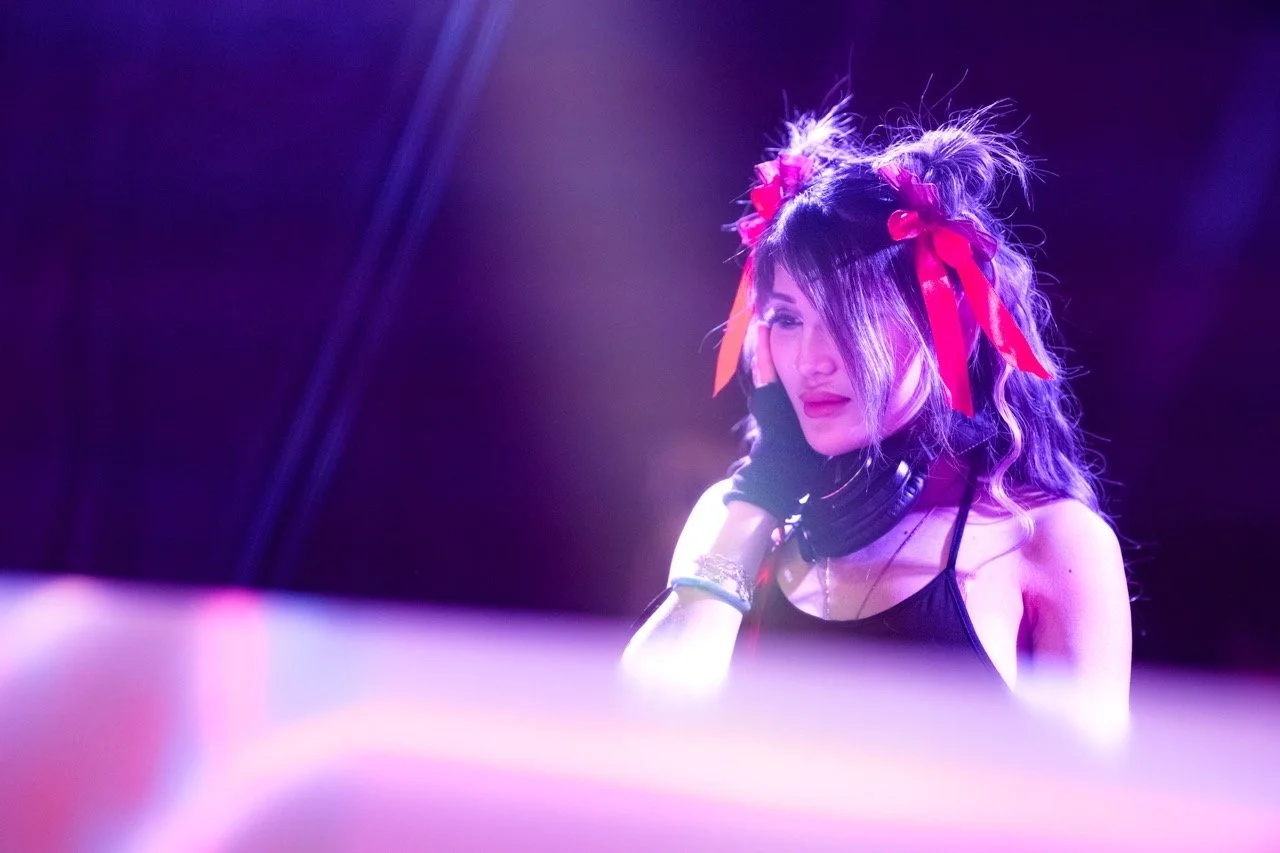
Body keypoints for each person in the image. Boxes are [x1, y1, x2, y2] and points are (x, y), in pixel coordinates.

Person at [622, 104, 1132, 734]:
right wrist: (761, 492)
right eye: (786, 319)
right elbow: (645, 727)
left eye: (847, 315)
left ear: (950, 322)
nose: (811, 361)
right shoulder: (736, 516)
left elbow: (1086, 791)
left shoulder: (1048, 541)